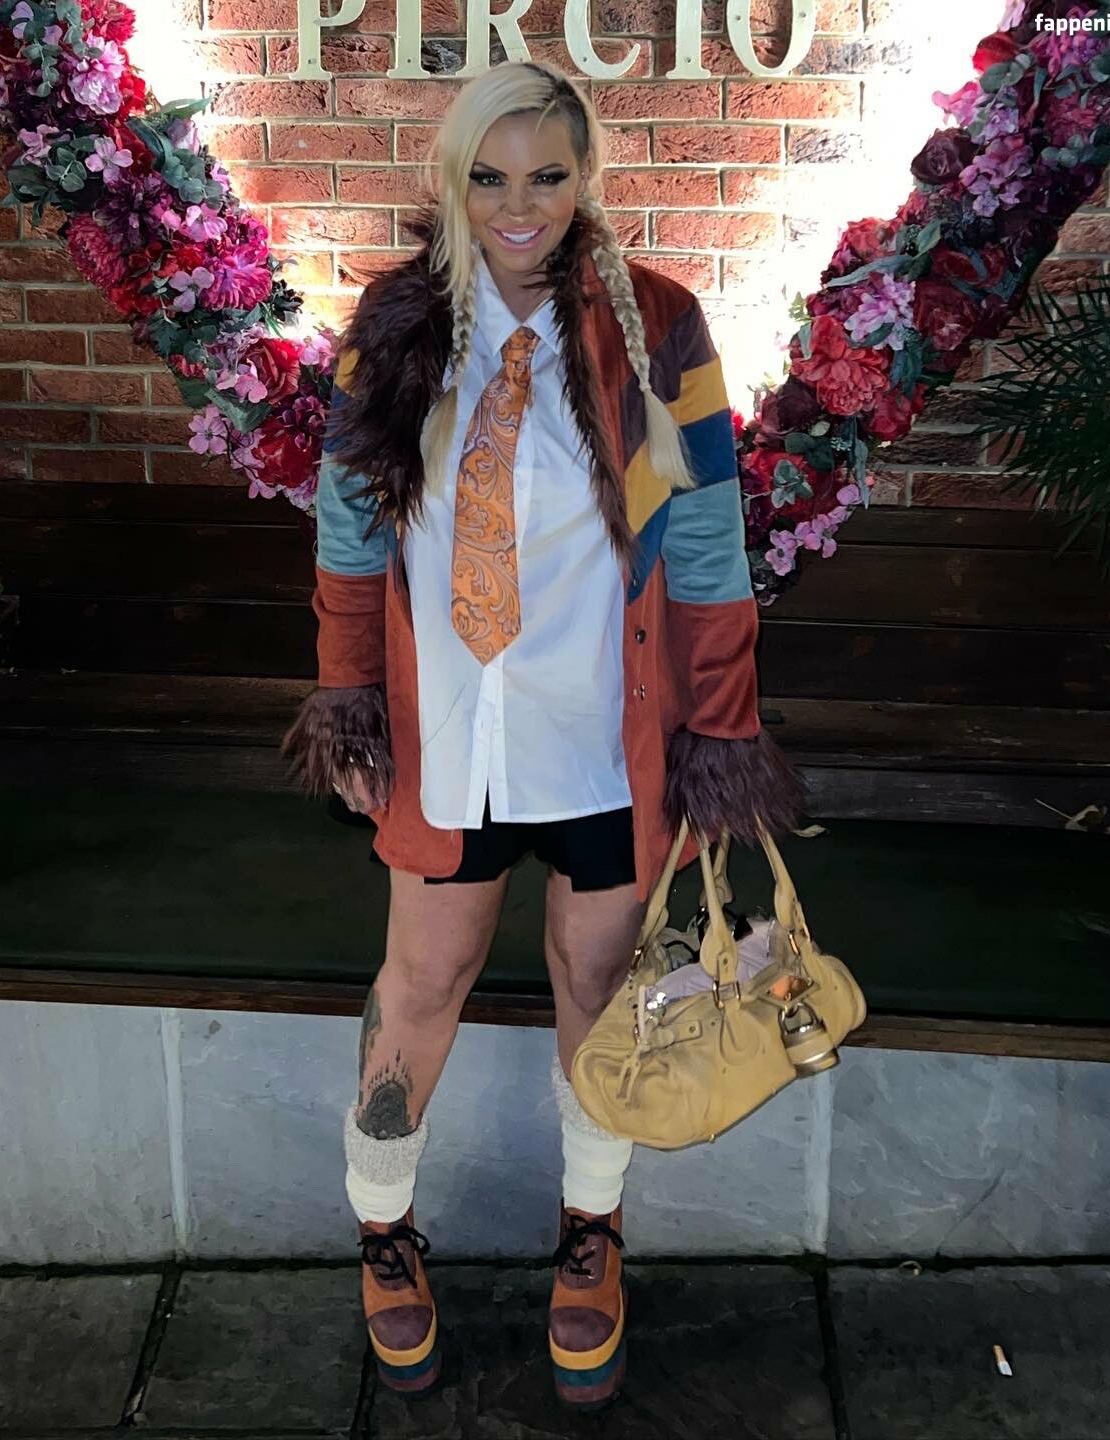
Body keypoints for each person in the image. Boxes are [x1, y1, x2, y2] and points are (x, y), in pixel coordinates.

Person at [282, 58, 807, 1410]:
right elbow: (348, 534)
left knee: (601, 984)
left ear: (587, 180)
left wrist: (719, 733)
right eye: (490, 176)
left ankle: (592, 1232)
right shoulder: (396, 330)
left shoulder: (659, 328)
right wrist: (350, 695)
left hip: (601, 734)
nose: (519, 206)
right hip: (449, 737)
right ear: (453, 178)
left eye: (549, 177)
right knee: (423, 984)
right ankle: (383, 1231)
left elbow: (707, 543)